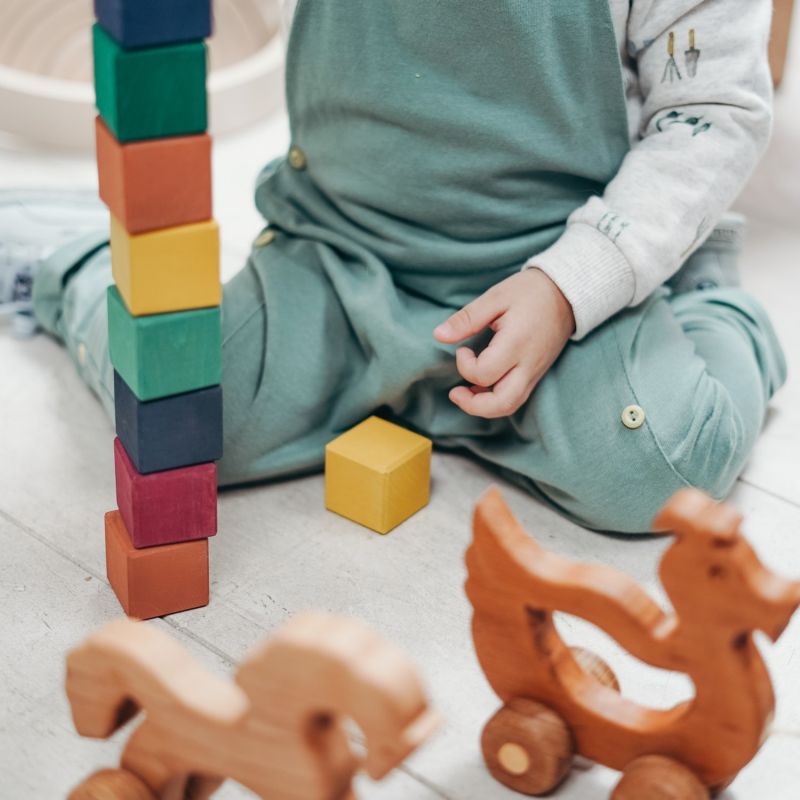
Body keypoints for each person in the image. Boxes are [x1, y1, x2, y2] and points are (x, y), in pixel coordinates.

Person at [1, 0, 786, 533]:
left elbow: (712, 113)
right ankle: (70, 258)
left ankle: (708, 295)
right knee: (170, 412)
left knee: (664, 472)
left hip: (556, 277)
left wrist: (576, 281)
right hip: (337, 257)